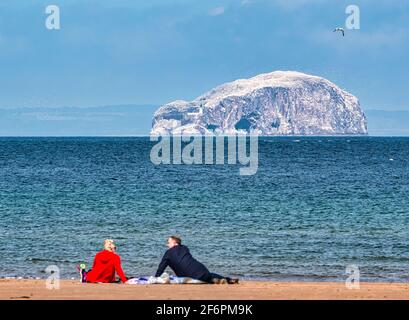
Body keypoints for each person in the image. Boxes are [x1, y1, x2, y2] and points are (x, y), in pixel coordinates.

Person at [155, 236, 239, 284]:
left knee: (198, 276)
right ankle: (226, 279)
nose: (167, 244)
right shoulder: (185, 248)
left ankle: (216, 280)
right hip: (202, 270)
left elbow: (161, 267)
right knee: (208, 275)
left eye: (168, 242)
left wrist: (156, 278)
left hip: (188, 276)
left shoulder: (168, 253)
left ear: (175, 243)